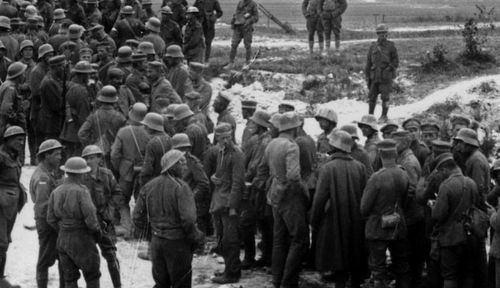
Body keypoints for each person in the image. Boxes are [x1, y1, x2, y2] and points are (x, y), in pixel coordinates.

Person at [133, 149, 203, 288]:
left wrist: (151, 236)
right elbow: (188, 219)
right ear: (173, 166)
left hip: (157, 243)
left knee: (161, 284)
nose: (185, 167)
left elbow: (137, 216)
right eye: (182, 163)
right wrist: (196, 238)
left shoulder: (149, 186)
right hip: (177, 244)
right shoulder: (181, 187)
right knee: (181, 284)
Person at [311, 129, 367, 287]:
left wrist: (314, 220)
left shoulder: (328, 168)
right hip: (356, 220)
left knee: (338, 260)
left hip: (334, 220)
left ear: (333, 146)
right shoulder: (360, 167)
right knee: (354, 256)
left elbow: (320, 199)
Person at [258, 112, 308, 287]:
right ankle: (289, 282)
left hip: (274, 196)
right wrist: (304, 192)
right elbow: (293, 176)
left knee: (279, 240)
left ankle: (277, 279)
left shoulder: (272, 143)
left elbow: (263, 168)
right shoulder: (292, 146)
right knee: (299, 239)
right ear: (295, 128)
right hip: (289, 197)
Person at [360, 139, 410, 288]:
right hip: (398, 224)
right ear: (395, 154)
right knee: (402, 264)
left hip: (377, 227)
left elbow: (364, 207)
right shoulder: (403, 174)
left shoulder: (377, 177)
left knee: (378, 268)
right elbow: (406, 200)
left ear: (380, 154)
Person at [46, 157, 101, 288]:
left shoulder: (56, 191)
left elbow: (50, 218)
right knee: (92, 274)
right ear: (81, 174)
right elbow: (91, 219)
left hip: (63, 238)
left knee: (69, 278)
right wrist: (97, 232)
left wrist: (63, 229)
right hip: (81, 237)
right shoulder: (82, 191)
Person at [81, 145, 127, 288]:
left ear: (100, 159)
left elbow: (117, 193)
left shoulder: (107, 174)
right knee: (90, 260)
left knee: (112, 256)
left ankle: (118, 285)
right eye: (87, 158)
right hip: (88, 223)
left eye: (92, 158)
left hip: (105, 221)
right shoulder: (81, 176)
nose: (89, 161)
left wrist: (110, 210)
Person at [431, 152, 479, 288]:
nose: (440, 175)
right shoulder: (471, 183)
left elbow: (438, 215)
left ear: (445, 169)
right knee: (468, 273)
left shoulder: (446, 186)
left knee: (450, 275)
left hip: (450, 238)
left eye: (440, 172)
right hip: (470, 235)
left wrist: (433, 206)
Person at [451, 127, 489, 288]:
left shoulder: (475, 160)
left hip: (475, 212)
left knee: (474, 257)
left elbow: (477, 188)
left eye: (460, 143)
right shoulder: (474, 158)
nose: (458, 147)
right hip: (476, 210)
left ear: (468, 144)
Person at [209, 123, 244, 284]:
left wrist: (232, 207)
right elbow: (220, 174)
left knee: (231, 240)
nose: (226, 140)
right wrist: (213, 178)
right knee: (223, 239)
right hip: (219, 201)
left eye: (228, 137)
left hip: (228, 204)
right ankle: (229, 269)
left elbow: (238, 183)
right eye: (222, 137)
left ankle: (232, 274)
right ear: (217, 137)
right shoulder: (220, 152)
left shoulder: (236, 153)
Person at [392, 130, 425, 288]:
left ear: (405, 143)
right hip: (410, 215)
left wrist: (400, 207)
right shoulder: (404, 158)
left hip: (411, 216)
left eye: (396, 143)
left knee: (408, 256)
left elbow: (411, 190)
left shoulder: (408, 162)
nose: (393, 147)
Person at [31, 139, 64, 288]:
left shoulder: (47, 172)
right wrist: (55, 226)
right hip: (48, 223)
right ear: (46, 156)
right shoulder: (43, 177)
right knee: (45, 259)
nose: (60, 157)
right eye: (56, 154)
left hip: (50, 222)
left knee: (62, 257)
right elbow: (43, 206)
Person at [110, 103, 151, 224]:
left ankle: (124, 225)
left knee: (122, 199)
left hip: (126, 170)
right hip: (143, 168)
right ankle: (140, 226)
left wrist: (119, 167)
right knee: (141, 199)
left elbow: (114, 154)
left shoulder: (123, 132)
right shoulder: (149, 132)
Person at [0, 126, 27, 288]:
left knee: (5, 242)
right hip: (1, 205)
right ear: (8, 140)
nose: (21, 142)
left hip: (11, 205)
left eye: (23, 139)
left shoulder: (14, 156)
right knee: (0, 242)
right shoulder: (1, 157)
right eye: (18, 139)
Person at [78, 85, 127, 167]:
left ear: (100, 100)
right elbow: (124, 138)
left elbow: (81, 133)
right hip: (113, 154)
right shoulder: (121, 117)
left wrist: (91, 145)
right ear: (115, 101)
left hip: (97, 153)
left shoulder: (94, 116)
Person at [171, 133, 210, 236]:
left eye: (185, 149)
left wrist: (192, 196)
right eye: (180, 149)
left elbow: (203, 183)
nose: (183, 151)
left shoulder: (193, 163)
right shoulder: (174, 161)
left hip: (192, 202)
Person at [60, 61, 95, 158]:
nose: (89, 77)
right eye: (88, 74)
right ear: (83, 75)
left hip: (68, 128)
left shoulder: (69, 85)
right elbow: (83, 114)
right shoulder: (81, 90)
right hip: (77, 131)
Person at [365, 24, 399, 122]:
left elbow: (396, 61)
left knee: (385, 97)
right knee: (372, 97)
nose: (381, 35)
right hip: (374, 76)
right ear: (377, 34)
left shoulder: (391, 46)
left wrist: (389, 69)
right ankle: (370, 116)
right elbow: (368, 62)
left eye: (383, 33)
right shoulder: (373, 46)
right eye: (379, 33)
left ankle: (384, 116)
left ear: (386, 34)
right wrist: (367, 76)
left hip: (385, 76)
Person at [29, 44, 54, 156]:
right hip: (38, 110)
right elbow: (35, 92)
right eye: (48, 55)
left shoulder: (49, 69)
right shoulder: (36, 71)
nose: (51, 57)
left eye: (52, 54)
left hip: (46, 110)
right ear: (43, 57)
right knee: (39, 138)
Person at [38, 55, 66, 143]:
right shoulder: (50, 82)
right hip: (51, 124)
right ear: (56, 67)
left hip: (53, 123)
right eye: (62, 66)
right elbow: (57, 106)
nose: (64, 69)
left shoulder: (54, 78)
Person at [140, 112, 173, 186]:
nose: (144, 128)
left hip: (155, 181)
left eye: (146, 126)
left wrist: (143, 183)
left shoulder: (152, 143)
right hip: (170, 180)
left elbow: (147, 168)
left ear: (152, 127)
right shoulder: (170, 139)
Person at [0, 62, 28, 140]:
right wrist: (16, 120)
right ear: (18, 76)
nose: (24, 76)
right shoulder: (10, 88)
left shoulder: (6, 84)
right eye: (23, 74)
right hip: (11, 130)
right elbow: (5, 110)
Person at [227, 0, 258, 67]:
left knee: (247, 45)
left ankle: (247, 63)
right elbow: (236, 13)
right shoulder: (240, 3)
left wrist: (249, 21)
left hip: (247, 28)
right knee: (234, 44)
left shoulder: (253, 4)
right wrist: (233, 22)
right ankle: (231, 63)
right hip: (238, 26)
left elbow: (256, 17)